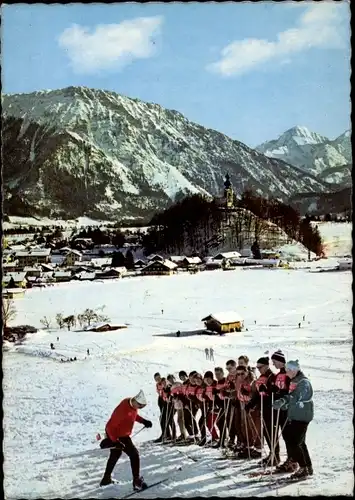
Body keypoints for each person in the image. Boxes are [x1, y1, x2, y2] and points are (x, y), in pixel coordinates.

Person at [99, 390, 152, 490]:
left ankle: (106, 479)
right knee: (134, 454)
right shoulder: (122, 409)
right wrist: (115, 441)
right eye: (140, 406)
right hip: (116, 435)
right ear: (136, 401)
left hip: (122, 434)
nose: (140, 408)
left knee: (115, 454)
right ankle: (136, 481)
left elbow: (133, 415)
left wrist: (143, 421)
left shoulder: (132, 404)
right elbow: (110, 427)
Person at [273, 360, 314, 480]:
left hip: (302, 415)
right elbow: (293, 398)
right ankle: (307, 467)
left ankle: (303, 467)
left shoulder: (304, 382)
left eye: (288, 371)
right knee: (297, 441)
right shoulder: (295, 380)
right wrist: (284, 405)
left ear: (294, 370)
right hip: (295, 414)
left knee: (296, 442)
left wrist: (284, 401)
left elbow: (296, 396)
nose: (286, 374)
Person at [245, 356, 278, 466]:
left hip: (271, 408)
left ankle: (275, 456)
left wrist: (268, 391)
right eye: (257, 367)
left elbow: (273, 392)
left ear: (267, 366)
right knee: (266, 433)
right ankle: (271, 454)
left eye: (260, 367)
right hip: (263, 407)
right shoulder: (261, 377)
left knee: (271, 433)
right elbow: (259, 394)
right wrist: (251, 404)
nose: (258, 369)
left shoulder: (272, 377)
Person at [270, 350, 296, 473]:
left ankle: (293, 461)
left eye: (274, 361)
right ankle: (290, 460)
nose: (273, 364)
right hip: (280, 408)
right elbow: (276, 387)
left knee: (290, 435)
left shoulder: (288, 373)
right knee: (285, 435)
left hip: (287, 408)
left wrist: (281, 393)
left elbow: (290, 390)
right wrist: (272, 389)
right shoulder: (278, 375)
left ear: (280, 361)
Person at [213, 367, 228, 448]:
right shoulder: (218, 383)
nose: (217, 376)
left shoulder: (226, 381)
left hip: (228, 404)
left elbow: (226, 392)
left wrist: (220, 392)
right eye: (216, 374)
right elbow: (218, 396)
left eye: (219, 374)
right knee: (219, 422)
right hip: (222, 405)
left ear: (223, 373)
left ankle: (225, 440)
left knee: (224, 423)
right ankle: (222, 440)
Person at [203, 371, 219, 445]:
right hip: (211, 406)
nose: (207, 381)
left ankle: (218, 437)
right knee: (208, 423)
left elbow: (218, 395)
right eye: (206, 380)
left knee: (213, 422)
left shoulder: (215, 384)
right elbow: (208, 397)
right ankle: (214, 437)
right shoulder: (207, 386)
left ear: (212, 378)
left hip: (218, 406)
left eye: (208, 379)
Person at [154, 373, 165, 443]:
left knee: (164, 418)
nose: (158, 380)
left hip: (165, 400)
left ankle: (167, 434)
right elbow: (159, 392)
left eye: (158, 378)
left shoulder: (164, 382)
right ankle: (165, 433)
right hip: (161, 399)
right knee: (162, 418)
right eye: (156, 379)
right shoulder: (157, 384)